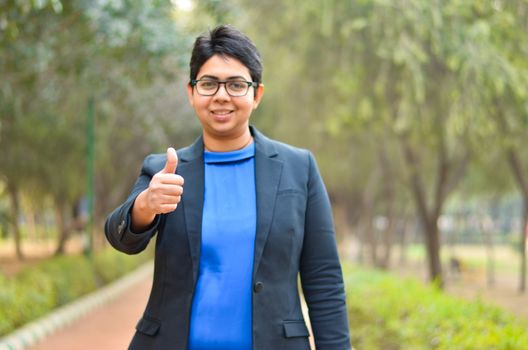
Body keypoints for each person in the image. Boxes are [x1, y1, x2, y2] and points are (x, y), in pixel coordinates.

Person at [105, 24, 351, 350]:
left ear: (257, 93)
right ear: (192, 92)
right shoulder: (164, 169)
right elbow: (119, 236)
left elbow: (324, 279)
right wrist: (145, 206)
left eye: (236, 84)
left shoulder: (298, 169)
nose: (221, 96)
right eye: (208, 84)